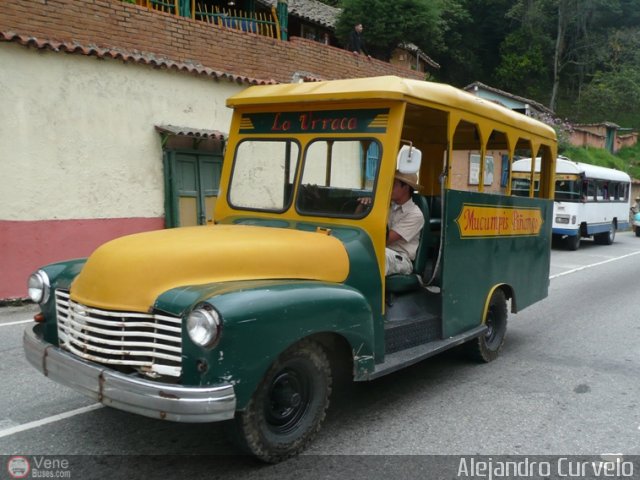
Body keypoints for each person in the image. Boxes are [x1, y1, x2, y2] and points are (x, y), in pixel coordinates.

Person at [386, 171, 424, 275]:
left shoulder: (415, 214)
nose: (389, 187)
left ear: (406, 188)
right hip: (385, 251)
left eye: (394, 184)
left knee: (379, 256)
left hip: (402, 259)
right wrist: (364, 205)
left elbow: (386, 240)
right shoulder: (387, 207)